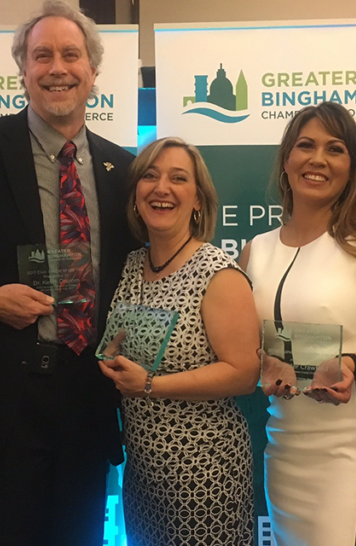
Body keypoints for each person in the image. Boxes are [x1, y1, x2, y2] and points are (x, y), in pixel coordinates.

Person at [0, 0, 142, 545]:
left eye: (71, 55)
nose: (56, 67)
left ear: (93, 72)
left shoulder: (124, 170)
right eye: (41, 55)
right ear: (23, 71)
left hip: (86, 401)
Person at [240, 102, 356, 545]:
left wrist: (351, 364)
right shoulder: (254, 251)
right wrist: (260, 367)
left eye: (335, 149)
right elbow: (249, 348)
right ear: (287, 161)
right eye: (306, 146)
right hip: (284, 448)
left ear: (351, 167)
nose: (317, 159)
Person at [98, 137, 259, 545]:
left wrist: (151, 385)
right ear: (136, 196)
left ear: (199, 200)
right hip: (143, 472)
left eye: (178, 178)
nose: (161, 187)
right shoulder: (132, 265)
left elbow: (244, 374)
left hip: (205, 475)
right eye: (149, 176)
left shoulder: (217, 272)